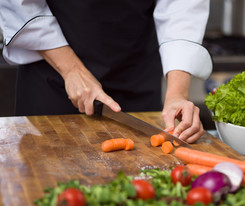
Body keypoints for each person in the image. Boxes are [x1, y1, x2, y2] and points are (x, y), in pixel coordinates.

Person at [0, 0, 213, 143]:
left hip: (137, 72)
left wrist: (177, 93)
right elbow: (19, 4)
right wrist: (71, 70)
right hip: (52, 75)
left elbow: (181, 6)